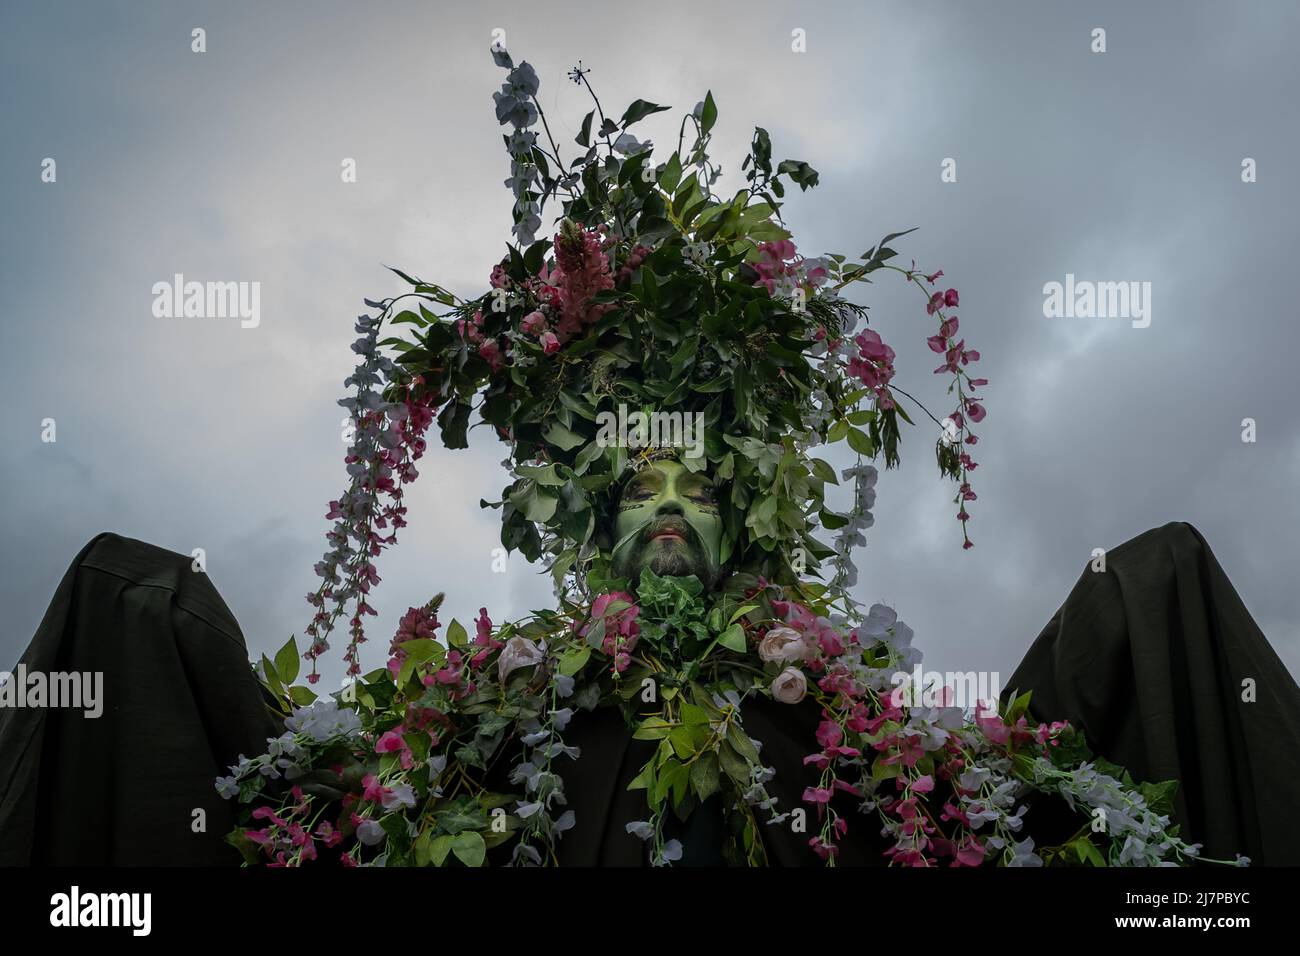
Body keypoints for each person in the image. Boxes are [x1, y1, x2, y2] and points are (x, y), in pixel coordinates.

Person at [4, 453, 1298, 865]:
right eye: (645, 500)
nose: (672, 515)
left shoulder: (850, 731)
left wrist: (1130, 605)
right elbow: (332, 805)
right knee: (129, 593)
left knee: (1158, 574)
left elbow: (990, 800)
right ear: (602, 553)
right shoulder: (496, 713)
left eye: (699, 500)